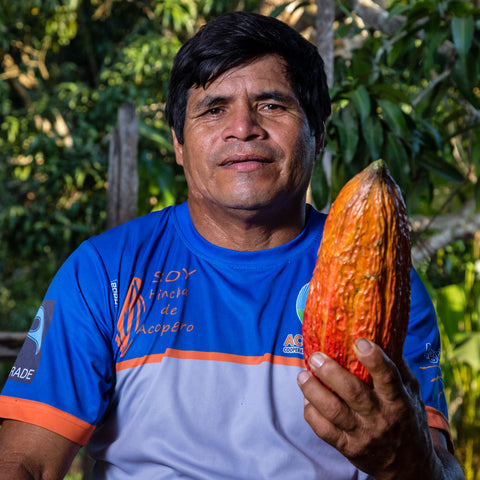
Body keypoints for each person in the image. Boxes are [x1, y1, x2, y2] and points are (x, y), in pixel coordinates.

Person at [0, 11, 464, 480]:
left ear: (318, 136)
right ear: (179, 144)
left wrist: (406, 459)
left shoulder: (381, 278)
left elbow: (444, 471)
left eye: (271, 105)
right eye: (214, 109)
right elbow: (25, 463)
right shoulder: (105, 272)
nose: (242, 128)